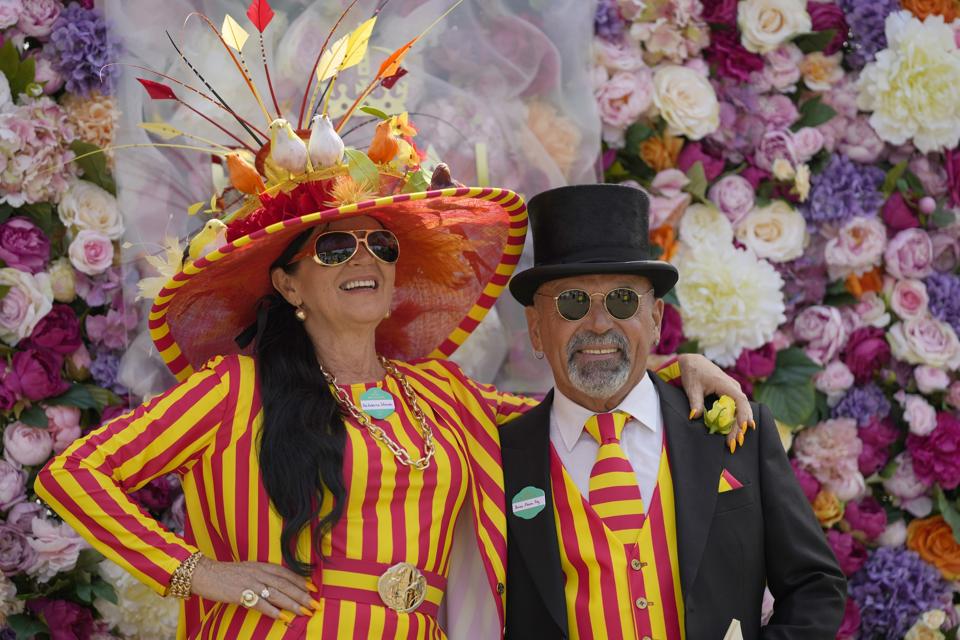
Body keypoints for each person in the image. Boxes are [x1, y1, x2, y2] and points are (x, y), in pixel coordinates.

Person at [32, 12, 752, 633]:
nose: (365, 255)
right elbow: (74, 475)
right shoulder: (235, 391)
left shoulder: (439, 395)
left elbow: (562, 407)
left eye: (382, 243)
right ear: (288, 283)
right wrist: (196, 573)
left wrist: (667, 368)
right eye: (335, 245)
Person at [500, 184, 847, 640]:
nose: (600, 324)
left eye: (623, 300)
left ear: (657, 318)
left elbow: (815, 586)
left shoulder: (735, 428)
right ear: (536, 329)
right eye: (572, 302)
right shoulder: (499, 457)